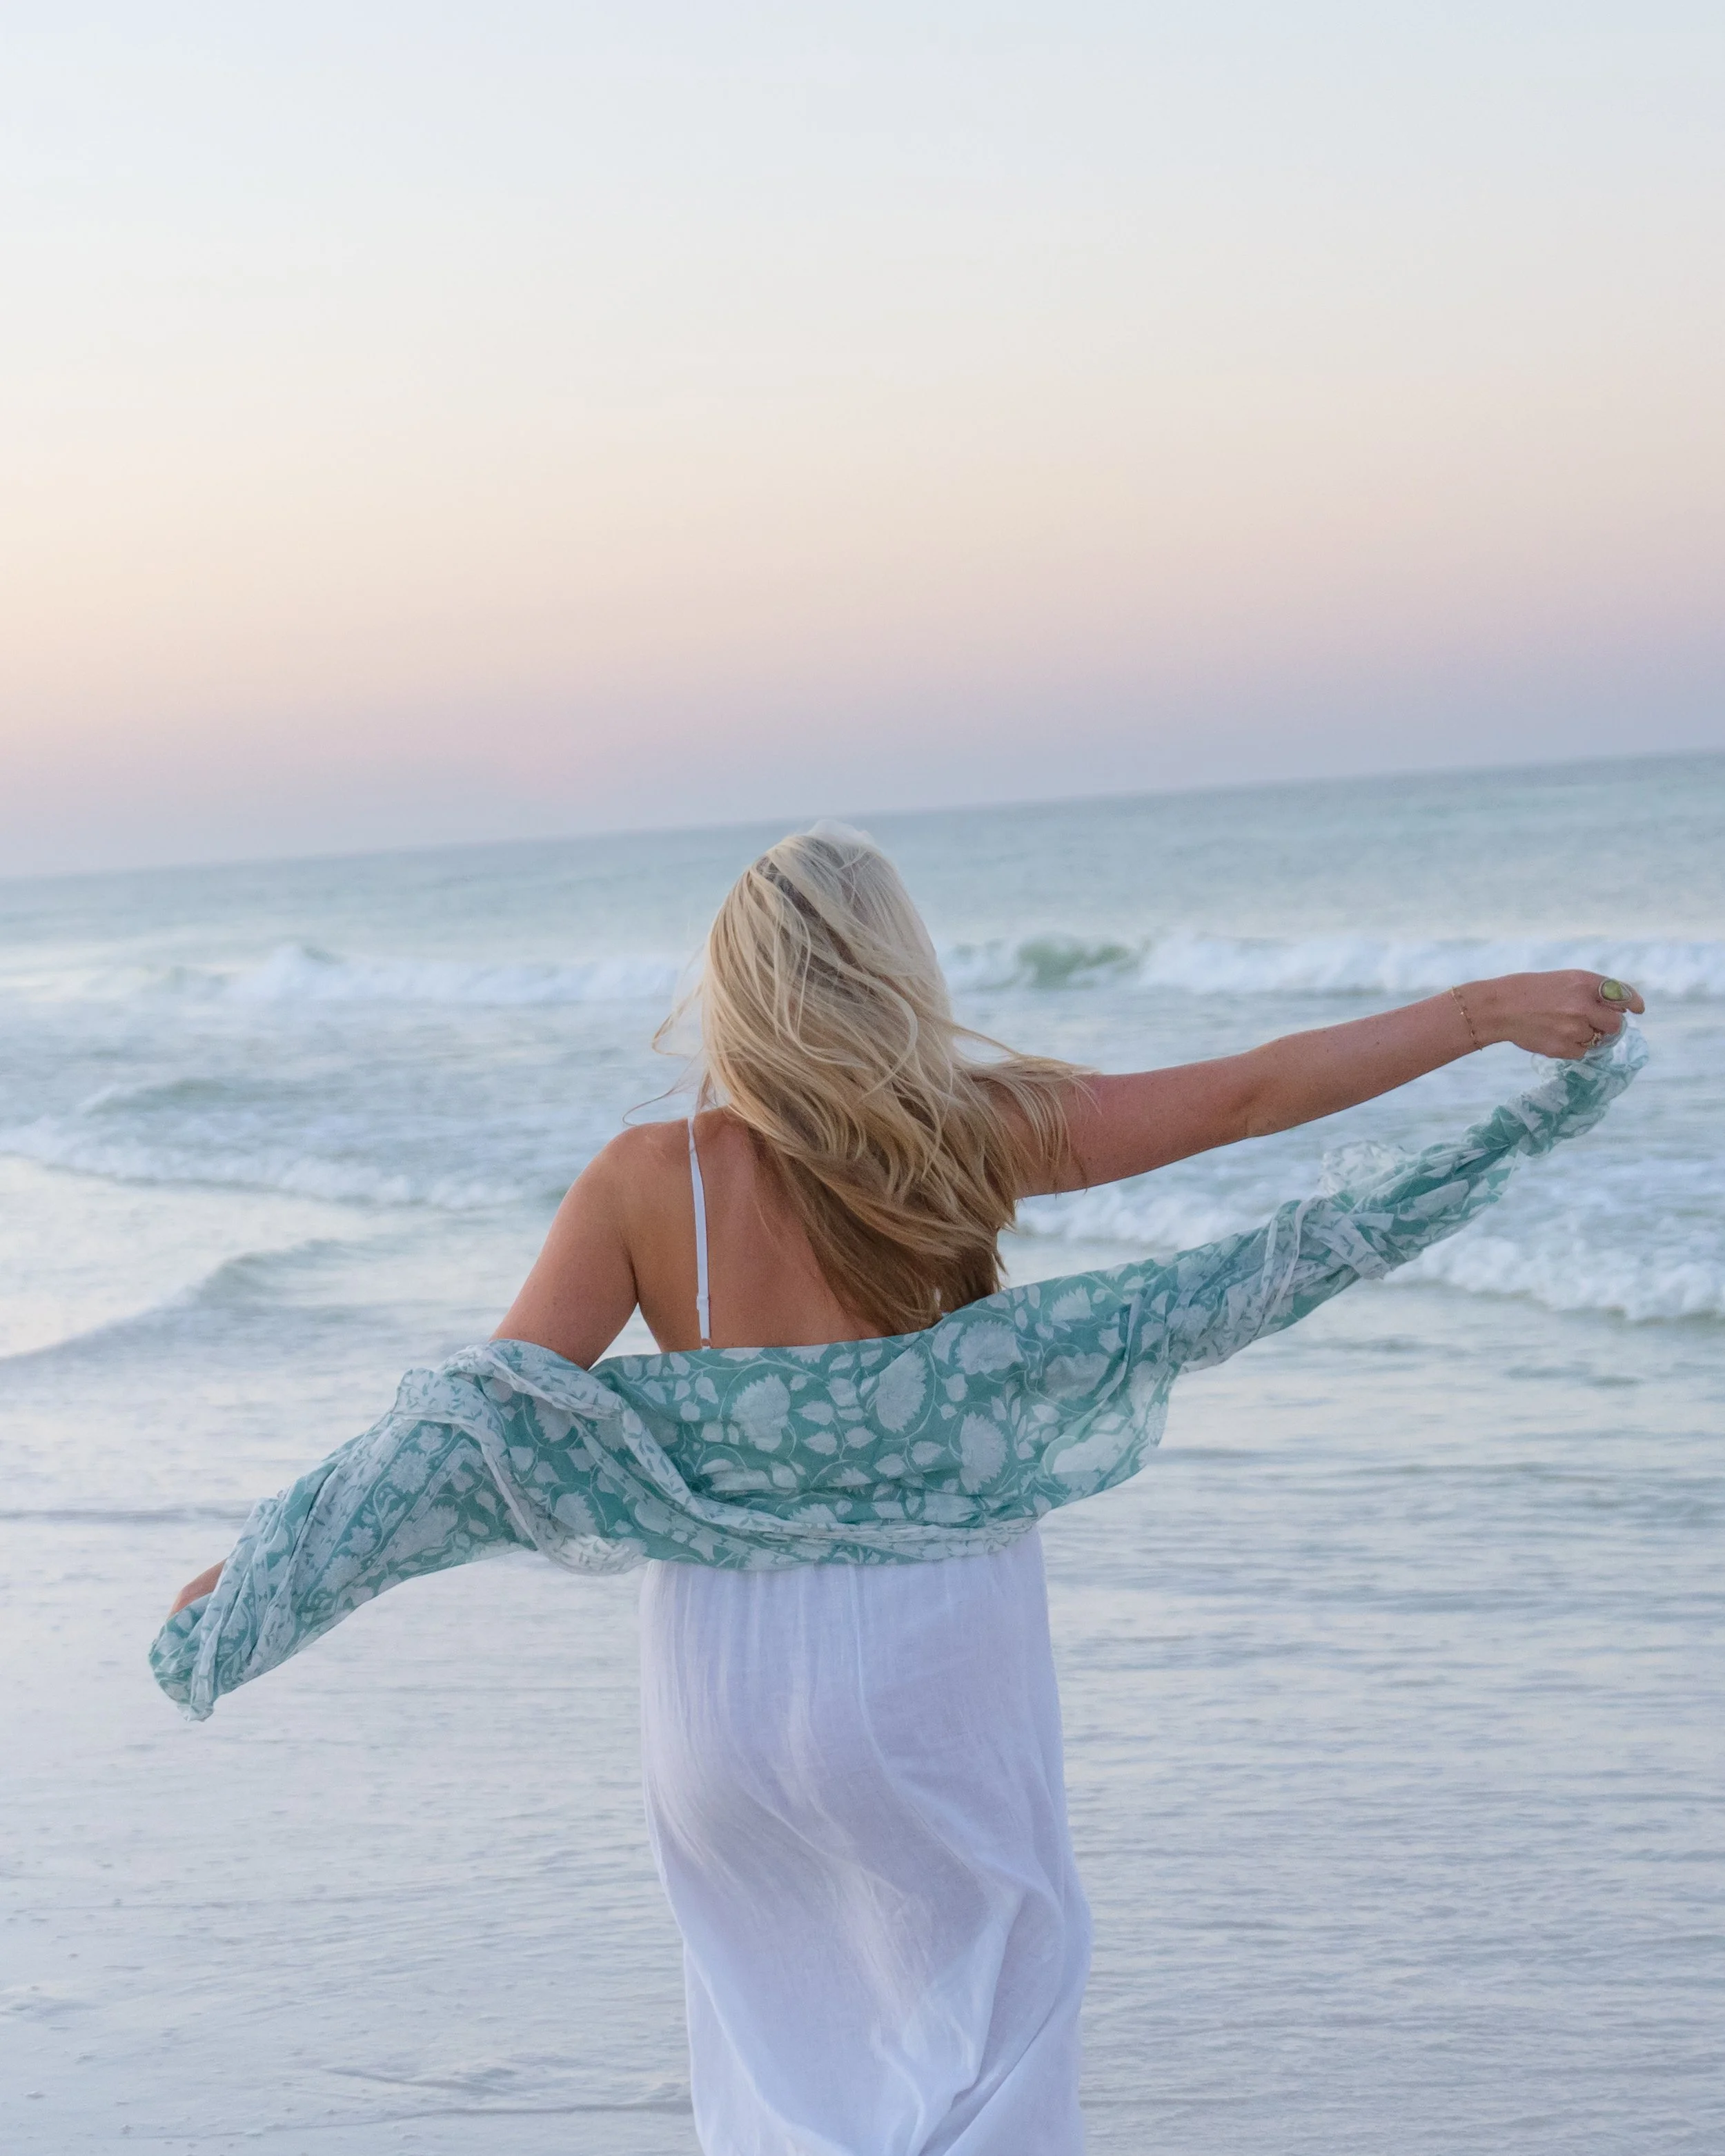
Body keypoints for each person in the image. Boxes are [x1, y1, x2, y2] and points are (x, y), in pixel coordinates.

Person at [157, 827, 1646, 2155]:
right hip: (934, 1647)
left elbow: (472, 1426)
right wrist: (1473, 1014)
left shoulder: (639, 1177)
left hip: (721, 1687)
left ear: (731, 990)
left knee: (776, 2053)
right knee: (993, 2036)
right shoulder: (962, 1136)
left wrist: (270, 1566)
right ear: (893, 975)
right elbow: (1248, 1096)